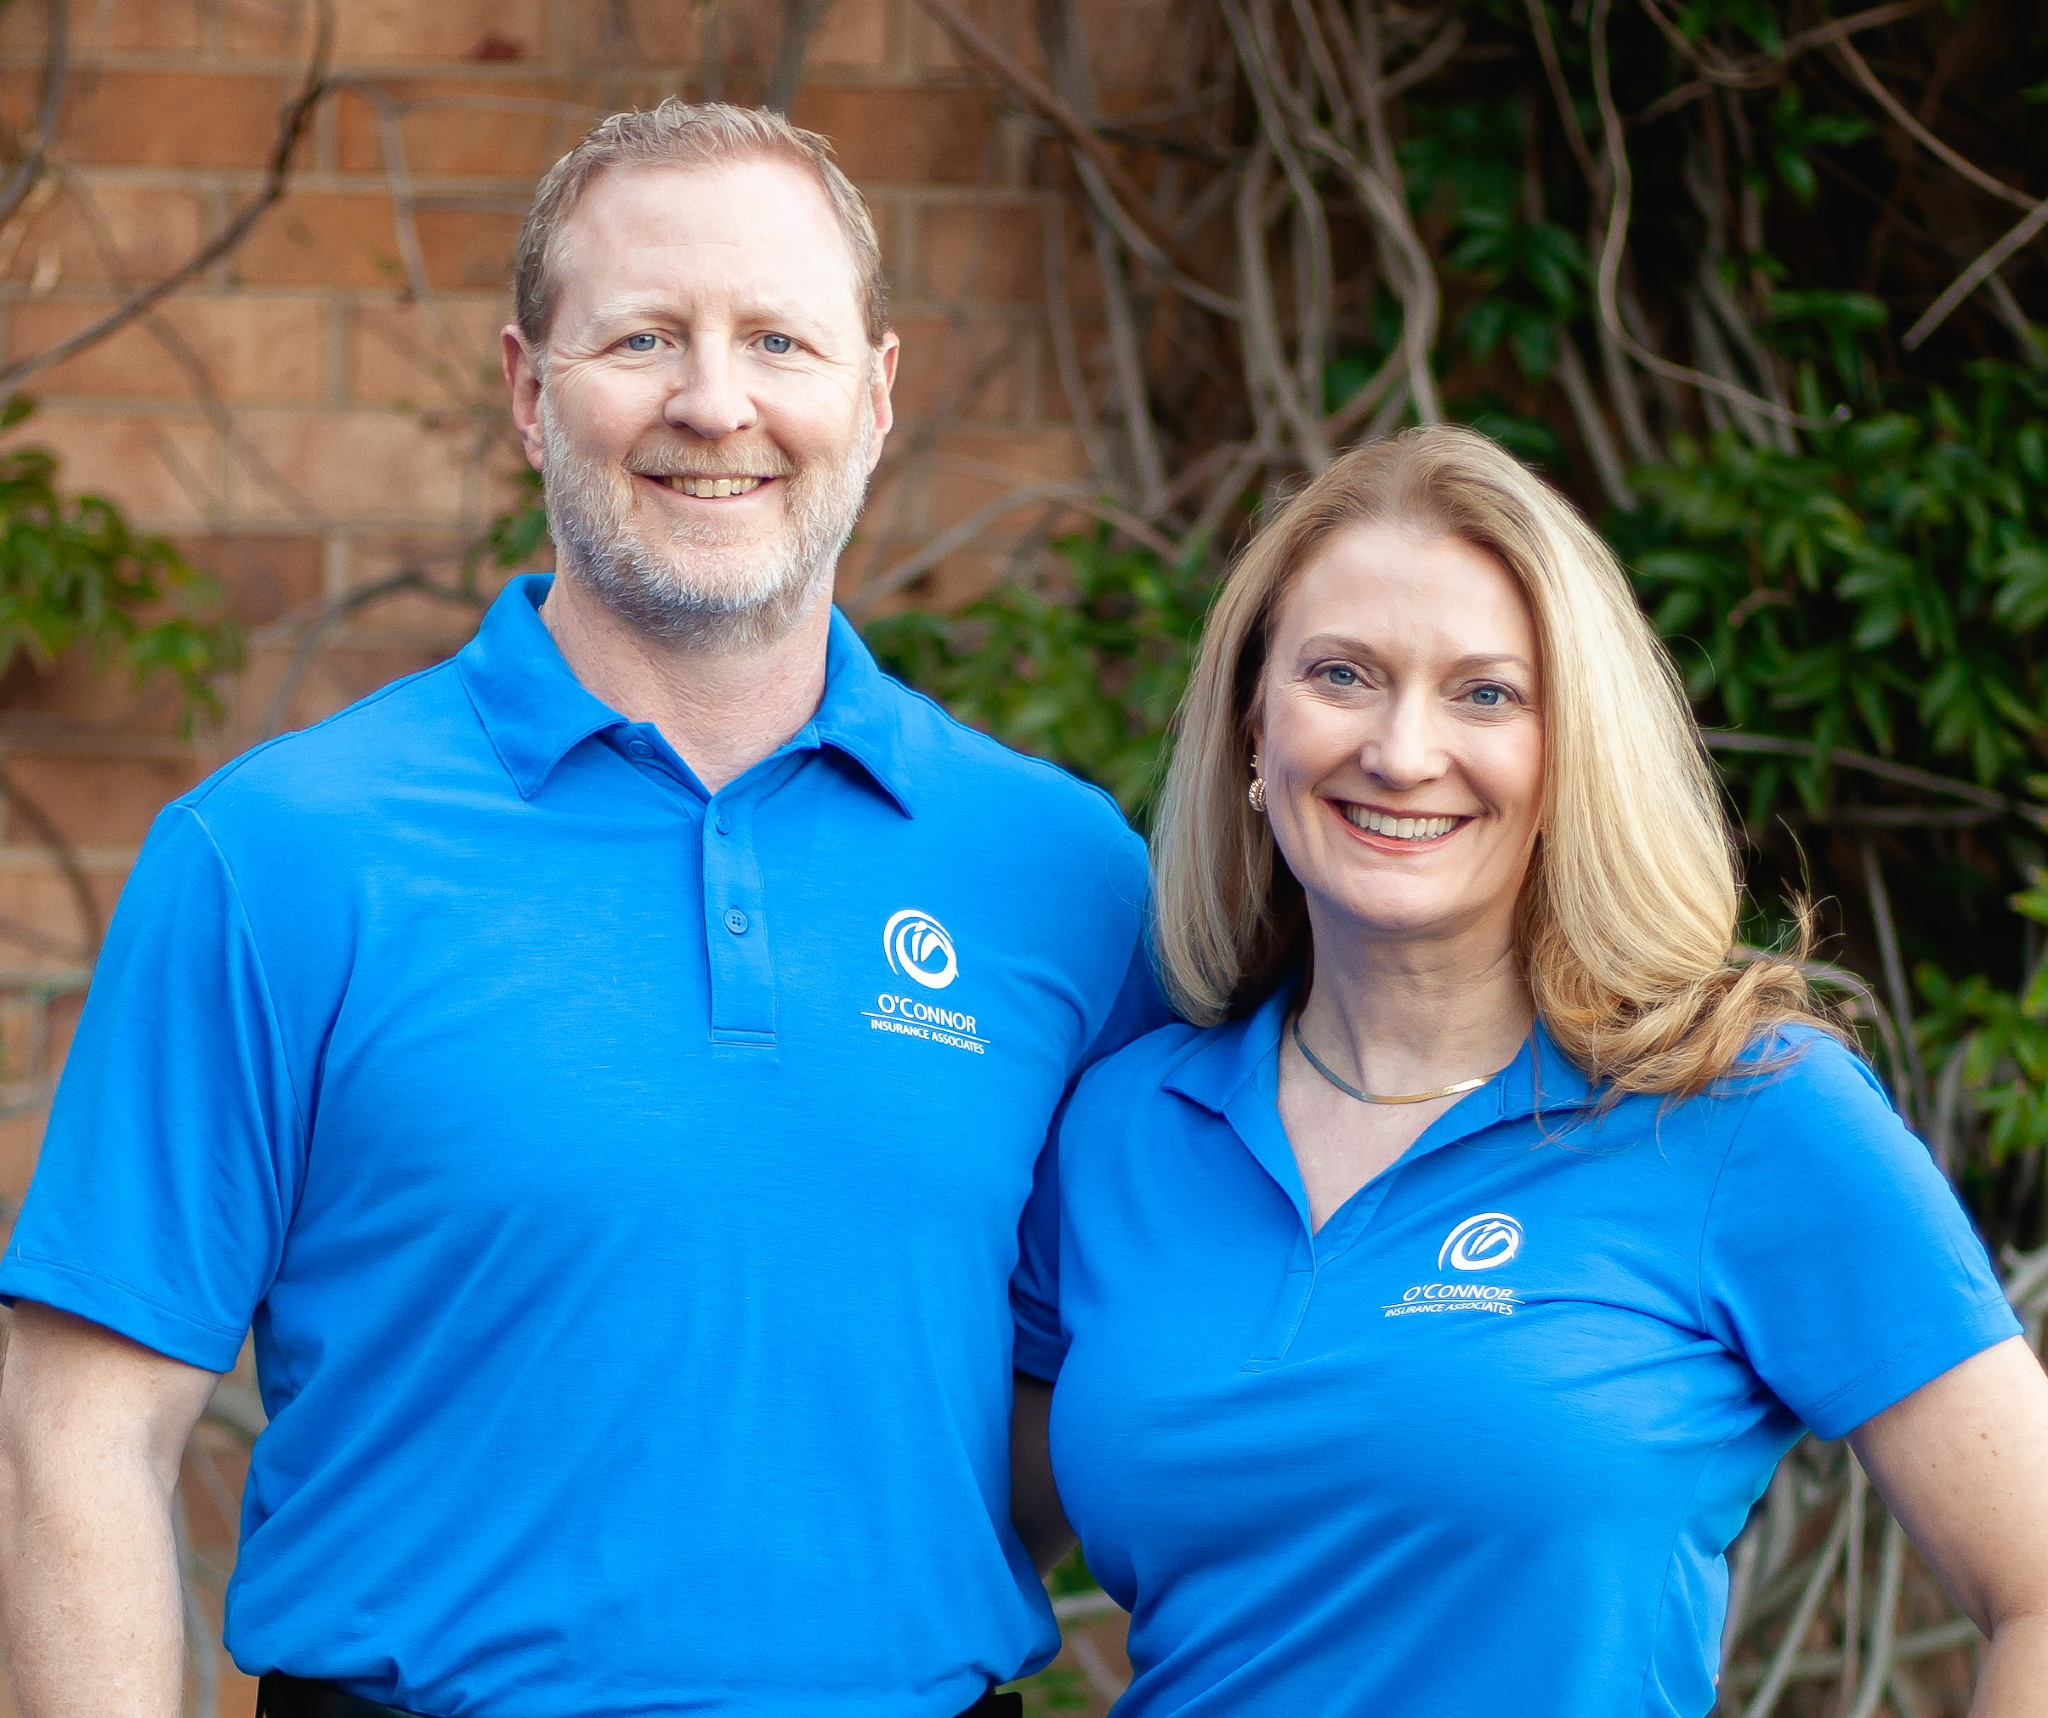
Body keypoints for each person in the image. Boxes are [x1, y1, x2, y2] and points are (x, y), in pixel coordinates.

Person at [0, 101, 1161, 1718]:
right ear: (529, 392)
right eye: (641, 336)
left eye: (778, 339)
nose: (714, 400)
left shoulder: (1068, 879)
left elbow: (1116, 1385)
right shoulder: (276, 855)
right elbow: (74, 1427)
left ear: (878, 396)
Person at [1015, 426, 2048, 1715]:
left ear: (1570, 758)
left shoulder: (1738, 1112)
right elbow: (946, 1541)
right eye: (1342, 674)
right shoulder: (1125, 1123)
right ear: (1251, 733)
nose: (1402, 751)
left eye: (1486, 694)